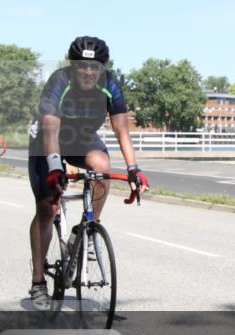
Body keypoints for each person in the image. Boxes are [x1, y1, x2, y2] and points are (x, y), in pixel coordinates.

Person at [27, 37, 148, 310]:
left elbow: (122, 130)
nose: (89, 72)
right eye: (82, 66)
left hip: (82, 138)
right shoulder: (59, 81)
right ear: (73, 66)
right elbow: (50, 128)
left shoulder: (111, 84)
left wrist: (133, 169)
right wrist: (56, 167)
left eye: (95, 67)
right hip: (48, 140)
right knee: (48, 208)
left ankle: (87, 228)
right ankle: (37, 281)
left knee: (102, 167)